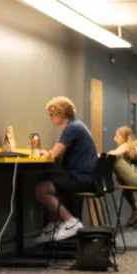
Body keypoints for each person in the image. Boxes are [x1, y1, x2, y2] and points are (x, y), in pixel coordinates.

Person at [30, 96, 98, 245]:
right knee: (52, 185)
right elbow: (59, 153)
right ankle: (53, 227)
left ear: (60, 113)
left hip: (82, 178)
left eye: (51, 115)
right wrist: (50, 153)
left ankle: (71, 222)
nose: (50, 118)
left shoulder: (71, 128)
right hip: (88, 176)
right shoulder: (78, 125)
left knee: (42, 189)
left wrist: (47, 153)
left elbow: (55, 154)